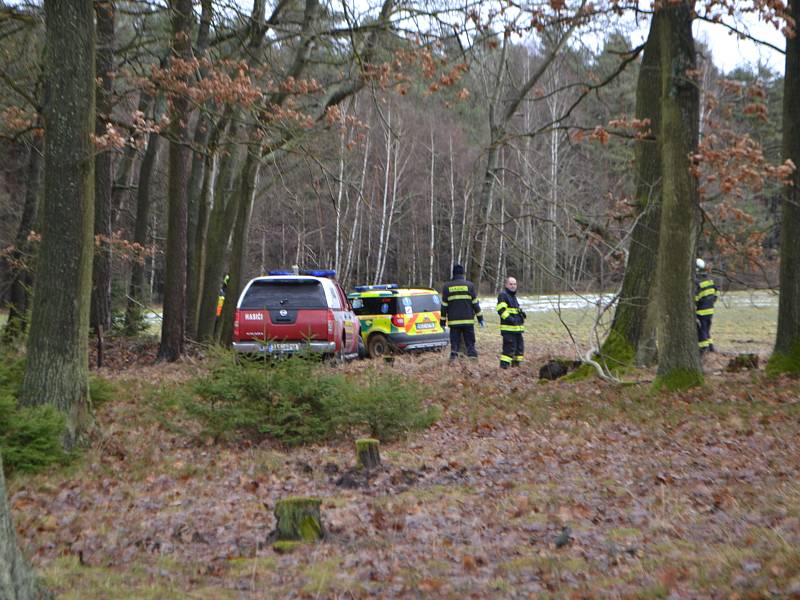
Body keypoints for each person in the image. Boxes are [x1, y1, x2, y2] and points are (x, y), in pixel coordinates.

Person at [440, 264, 483, 359]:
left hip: (454, 322)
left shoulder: (447, 287)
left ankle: (454, 362)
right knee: (470, 344)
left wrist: (442, 322)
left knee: (454, 345)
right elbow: (475, 304)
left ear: (453, 273)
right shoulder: (470, 285)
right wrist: (480, 318)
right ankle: (472, 361)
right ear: (463, 273)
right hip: (468, 321)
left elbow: (444, 307)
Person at [496, 276, 525, 368]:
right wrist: (511, 320)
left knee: (519, 350)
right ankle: (503, 369)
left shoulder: (513, 296)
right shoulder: (503, 295)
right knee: (508, 351)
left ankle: (516, 369)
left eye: (515, 284)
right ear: (506, 285)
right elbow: (501, 310)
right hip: (508, 329)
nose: (513, 286)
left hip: (517, 329)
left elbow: (514, 310)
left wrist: (521, 314)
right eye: (511, 284)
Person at [694, 258, 717, 353]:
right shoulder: (710, 281)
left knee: (702, 330)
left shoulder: (698, 283)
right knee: (707, 330)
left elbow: (696, 298)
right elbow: (715, 294)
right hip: (710, 310)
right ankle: (711, 347)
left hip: (701, 312)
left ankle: (704, 348)